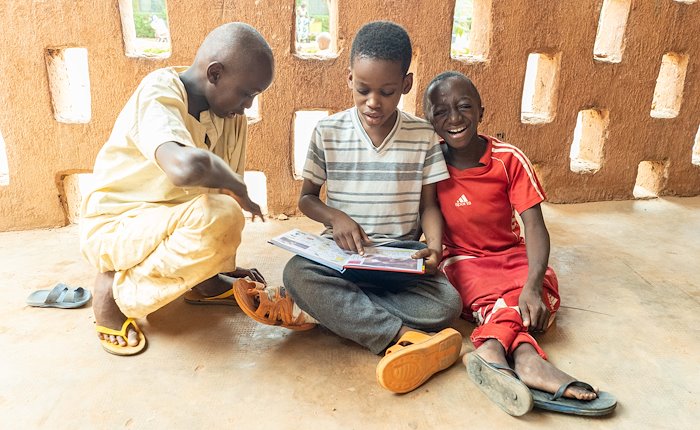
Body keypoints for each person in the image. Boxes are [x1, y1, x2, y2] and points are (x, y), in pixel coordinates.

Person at [235, 21, 464, 394]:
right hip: (339, 257)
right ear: (349, 78)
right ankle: (404, 337)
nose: (373, 102)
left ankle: (321, 310)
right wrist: (335, 217)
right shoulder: (329, 132)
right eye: (363, 89)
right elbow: (307, 198)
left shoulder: (423, 136)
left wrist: (435, 248)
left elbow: (430, 206)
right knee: (297, 273)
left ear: (405, 85)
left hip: (398, 256)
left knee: (446, 306)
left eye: (387, 92)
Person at [80, 22, 303, 356]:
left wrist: (216, 265)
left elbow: (214, 194)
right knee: (225, 213)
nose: (247, 106)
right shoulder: (158, 94)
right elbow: (184, 169)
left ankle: (203, 282)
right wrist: (234, 184)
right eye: (246, 94)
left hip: (171, 223)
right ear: (214, 73)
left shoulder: (229, 115)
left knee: (224, 212)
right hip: (118, 228)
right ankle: (114, 293)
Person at [423, 71, 617, 416]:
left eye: (464, 106)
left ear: (481, 111)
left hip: (510, 255)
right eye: (441, 111)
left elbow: (535, 228)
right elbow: (425, 214)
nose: (454, 118)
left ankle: (494, 348)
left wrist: (531, 284)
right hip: (462, 260)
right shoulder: (431, 164)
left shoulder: (508, 158)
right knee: (486, 296)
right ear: (429, 120)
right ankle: (528, 358)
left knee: (538, 289)